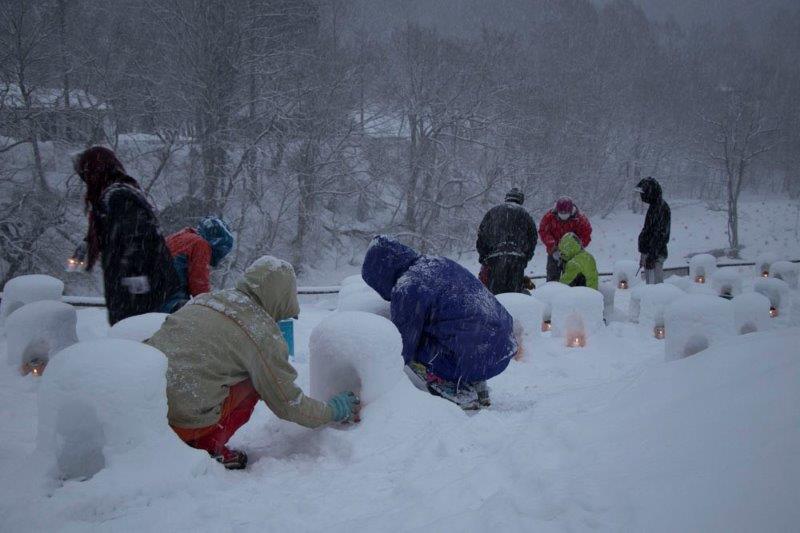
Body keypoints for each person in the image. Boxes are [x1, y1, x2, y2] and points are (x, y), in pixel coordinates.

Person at [146, 256, 360, 470]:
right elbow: (289, 404)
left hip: (147, 410)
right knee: (255, 381)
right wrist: (332, 410)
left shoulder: (205, 300)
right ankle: (207, 448)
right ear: (282, 296)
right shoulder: (261, 332)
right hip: (185, 423)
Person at [362, 235, 517, 410]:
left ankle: (451, 387)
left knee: (407, 346)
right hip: (503, 348)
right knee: (453, 329)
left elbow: (401, 346)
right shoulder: (439, 262)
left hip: (475, 358)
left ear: (380, 276)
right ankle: (475, 381)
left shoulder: (407, 286)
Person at [74, 146, 180, 326]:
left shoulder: (119, 197)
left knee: (134, 337)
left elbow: (135, 240)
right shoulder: (117, 195)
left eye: (88, 176)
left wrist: (134, 283)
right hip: (138, 287)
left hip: (138, 291)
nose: (87, 183)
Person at [164, 216, 235, 312]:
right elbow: (199, 285)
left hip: (152, 295)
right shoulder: (200, 244)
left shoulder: (178, 237)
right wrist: (208, 306)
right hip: (170, 299)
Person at [476, 187, 538, 295]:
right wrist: (526, 257)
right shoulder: (525, 215)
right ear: (521, 200)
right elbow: (533, 238)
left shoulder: (492, 212)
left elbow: (481, 236)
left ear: (506, 198)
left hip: (494, 259)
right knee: (514, 295)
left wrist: (484, 257)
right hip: (517, 259)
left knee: (494, 296)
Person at [538, 197, 592, 282]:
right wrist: (552, 246)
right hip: (554, 252)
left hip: (573, 255)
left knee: (572, 277)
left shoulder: (580, 218)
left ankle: (571, 293)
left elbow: (586, 234)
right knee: (552, 278)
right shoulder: (549, 217)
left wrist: (576, 248)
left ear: (571, 211)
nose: (563, 215)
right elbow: (543, 231)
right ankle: (551, 292)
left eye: (566, 213)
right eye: (561, 213)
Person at [635, 177, 671, 284]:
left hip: (655, 255)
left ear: (650, 192)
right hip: (651, 254)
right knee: (650, 286)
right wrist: (643, 254)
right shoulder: (654, 207)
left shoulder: (660, 208)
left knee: (655, 287)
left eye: (643, 192)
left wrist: (652, 255)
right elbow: (649, 231)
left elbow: (660, 234)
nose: (641, 196)